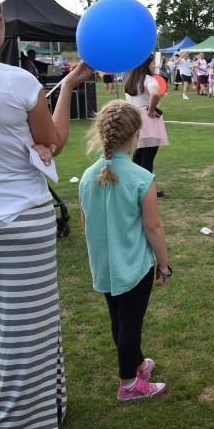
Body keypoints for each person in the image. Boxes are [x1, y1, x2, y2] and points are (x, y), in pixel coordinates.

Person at [0, 0, 93, 429]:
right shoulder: (17, 82)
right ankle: (18, 425)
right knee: (27, 327)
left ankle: (44, 409)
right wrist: (69, 86)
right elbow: (52, 140)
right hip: (21, 219)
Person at [78, 101, 171, 402]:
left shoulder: (87, 176)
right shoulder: (143, 179)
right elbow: (153, 227)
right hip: (133, 265)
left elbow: (85, 221)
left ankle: (138, 365)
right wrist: (164, 265)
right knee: (129, 323)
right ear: (136, 134)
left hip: (104, 264)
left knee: (119, 320)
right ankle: (128, 383)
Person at [124, 54, 169, 199]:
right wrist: (150, 110)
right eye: (152, 64)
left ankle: (133, 187)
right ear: (146, 65)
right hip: (147, 121)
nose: (154, 66)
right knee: (147, 158)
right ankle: (147, 190)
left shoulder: (131, 80)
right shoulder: (149, 79)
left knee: (138, 156)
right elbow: (155, 94)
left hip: (134, 119)